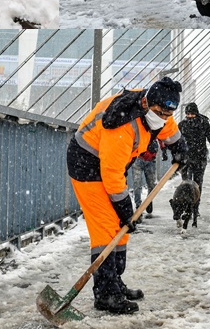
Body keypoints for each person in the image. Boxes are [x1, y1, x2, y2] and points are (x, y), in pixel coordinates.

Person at [66, 76, 188, 315]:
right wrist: (124, 208)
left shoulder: (157, 114)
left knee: (121, 229)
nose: (163, 117)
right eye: (159, 112)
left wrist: (178, 146)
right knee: (107, 226)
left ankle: (115, 283)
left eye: (167, 113)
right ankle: (105, 294)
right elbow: (111, 174)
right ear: (145, 104)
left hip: (109, 164)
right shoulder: (123, 125)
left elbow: (168, 128)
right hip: (86, 163)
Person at [177, 103, 210, 193]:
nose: (190, 116)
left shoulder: (203, 123)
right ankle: (187, 203)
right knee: (186, 184)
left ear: (196, 113)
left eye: (192, 114)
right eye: (188, 114)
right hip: (186, 159)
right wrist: (176, 155)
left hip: (200, 157)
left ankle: (195, 204)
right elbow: (176, 141)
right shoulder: (182, 125)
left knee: (197, 183)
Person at [127, 138, 158, 215]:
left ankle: (148, 201)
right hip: (139, 158)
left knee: (151, 185)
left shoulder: (153, 128)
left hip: (147, 158)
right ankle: (139, 206)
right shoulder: (152, 128)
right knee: (137, 184)